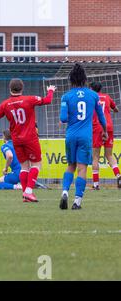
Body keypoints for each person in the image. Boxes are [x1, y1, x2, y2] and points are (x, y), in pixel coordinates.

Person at [0, 79, 56, 202]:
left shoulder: (5, 104)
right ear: (22, 88)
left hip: (17, 140)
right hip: (30, 138)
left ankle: (25, 196)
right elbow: (48, 100)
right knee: (36, 164)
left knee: (24, 167)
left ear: (10, 89)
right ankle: (29, 192)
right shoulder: (29, 99)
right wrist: (51, 91)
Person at [59, 64, 107, 210]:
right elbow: (101, 117)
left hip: (71, 135)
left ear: (71, 80)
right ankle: (77, 201)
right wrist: (104, 131)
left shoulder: (66, 96)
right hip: (86, 136)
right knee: (82, 168)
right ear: (85, 79)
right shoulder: (93, 95)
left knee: (70, 166)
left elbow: (63, 118)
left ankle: (65, 191)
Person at [89, 82, 120, 190]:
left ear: (92, 89)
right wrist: (109, 109)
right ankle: (118, 176)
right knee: (109, 155)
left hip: (97, 127)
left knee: (95, 157)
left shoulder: (91, 97)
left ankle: (96, 185)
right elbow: (116, 110)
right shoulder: (107, 97)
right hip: (109, 127)